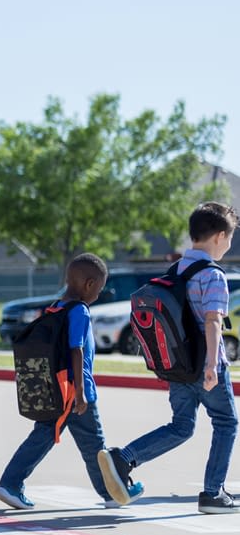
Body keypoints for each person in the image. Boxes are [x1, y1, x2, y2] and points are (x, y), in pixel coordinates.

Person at [98, 201, 240, 514]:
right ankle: (213, 493)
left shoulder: (176, 270)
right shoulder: (213, 276)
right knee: (227, 422)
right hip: (205, 364)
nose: (229, 244)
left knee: (181, 426)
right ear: (218, 236)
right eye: (229, 238)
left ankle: (124, 458)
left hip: (177, 366)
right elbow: (213, 321)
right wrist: (212, 365)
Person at [0, 253, 143, 510]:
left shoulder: (56, 307)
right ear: (89, 284)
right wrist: (81, 392)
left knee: (50, 436)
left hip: (56, 387)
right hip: (75, 390)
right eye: (100, 288)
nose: (99, 293)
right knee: (93, 444)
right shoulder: (80, 311)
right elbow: (77, 349)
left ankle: (11, 483)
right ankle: (111, 493)